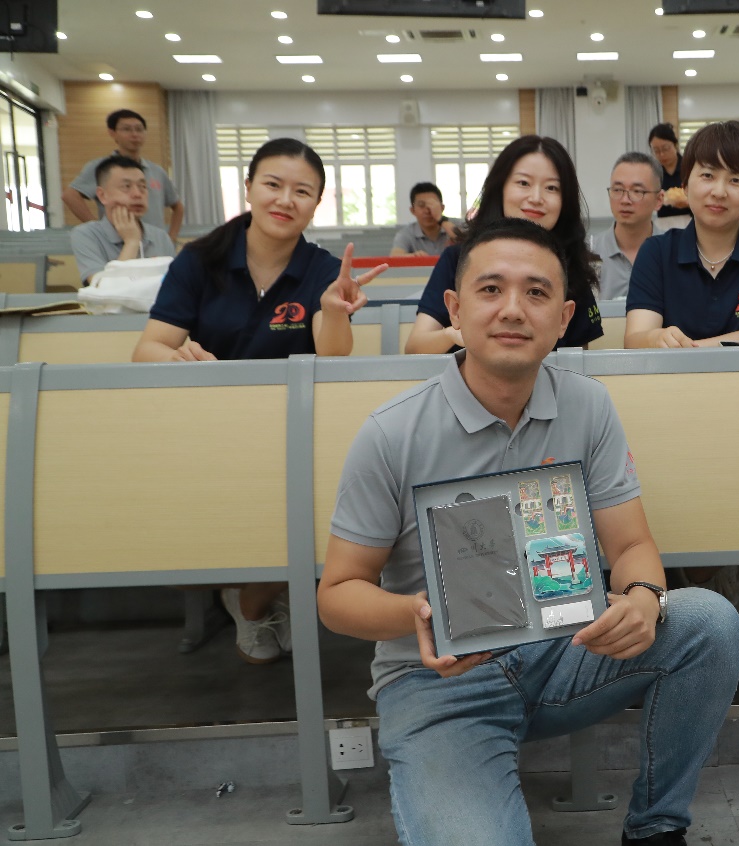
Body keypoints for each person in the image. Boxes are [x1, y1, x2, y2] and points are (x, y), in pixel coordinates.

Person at [317, 217, 739, 846]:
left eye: (537, 292)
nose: (513, 309)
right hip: (439, 684)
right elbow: (337, 594)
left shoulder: (588, 405)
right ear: (454, 309)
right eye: (491, 289)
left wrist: (644, 598)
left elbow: (631, 545)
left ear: (564, 317)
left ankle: (656, 827)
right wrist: (419, 614)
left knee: (709, 621)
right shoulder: (391, 433)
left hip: (566, 652)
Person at [133, 137, 386, 664]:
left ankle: (251, 602)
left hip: (295, 432)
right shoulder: (199, 260)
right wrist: (179, 358)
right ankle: (258, 590)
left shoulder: (321, 268)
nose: (285, 199)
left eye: (303, 191)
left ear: (316, 204)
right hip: (209, 430)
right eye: (273, 184)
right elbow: (147, 349)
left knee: (331, 505)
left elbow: (333, 354)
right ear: (249, 188)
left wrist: (333, 310)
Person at [403, 135, 604, 354]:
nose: (536, 197)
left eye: (552, 188)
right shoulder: (459, 258)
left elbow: (577, 360)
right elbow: (416, 348)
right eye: (523, 183)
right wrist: (456, 334)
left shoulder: (572, 264)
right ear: (500, 187)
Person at [625, 119, 739, 349]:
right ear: (685, 185)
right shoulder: (656, 253)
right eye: (708, 175)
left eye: (735, 180)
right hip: (670, 373)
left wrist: (689, 351)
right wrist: (654, 339)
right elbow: (635, 339)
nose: (719, 192)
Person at [63, 109, 184, 240]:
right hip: (118, 241)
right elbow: (70, 195)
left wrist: (172, 237)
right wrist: (97, 227)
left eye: (139, 129)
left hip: (154, 242)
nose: (134, 134)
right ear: (112, 133)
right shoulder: (102, 167)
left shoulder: (157, 171)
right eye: (127, 129)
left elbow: (178, 206)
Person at [70, 154, 176, 285]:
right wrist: (131, 242)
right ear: (102, 195)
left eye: (142, 187)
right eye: (126, 186)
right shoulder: (86, 235)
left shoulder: (160, 237)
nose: (137, 194)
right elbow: (103, 289)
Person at [593, 152, 663, 300]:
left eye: (637, 191)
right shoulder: (589, 252)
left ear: (659, 200)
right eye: (617, 190)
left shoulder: (673, 251)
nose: (625, 200)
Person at [390, 182, 455, 256]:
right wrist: (414, 257)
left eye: (432, 205)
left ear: (442, 207)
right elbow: (395, 256)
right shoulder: (406, 233)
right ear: (413, 210)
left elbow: (462, 241)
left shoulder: (457, 225)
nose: (427, 211)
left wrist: (440, 219)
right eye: (421, 205)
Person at [648, 123, 691, 227]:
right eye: (656, 151)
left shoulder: (689, 167)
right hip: (663, 223)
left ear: (675, 145)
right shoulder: (653, 172)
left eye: (666, 148)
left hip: (690, 221)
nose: (662, 154)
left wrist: (689, 203)